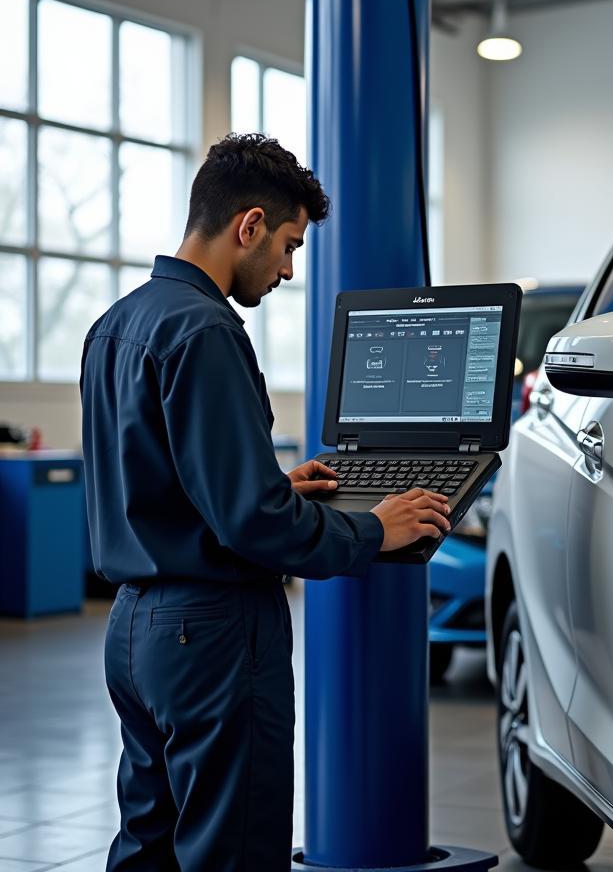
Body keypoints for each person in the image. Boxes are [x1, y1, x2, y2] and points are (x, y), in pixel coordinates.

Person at [80, 133, 450, 871]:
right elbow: (254, 525)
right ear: (247, 225)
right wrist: (373, 530)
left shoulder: (114, 326)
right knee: (234, 851)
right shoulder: (207, 329)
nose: (286, 269)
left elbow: (164, 483)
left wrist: (275, 485)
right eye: (287, 245)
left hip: (133, 634)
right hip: (211, 637)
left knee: (147, 847)